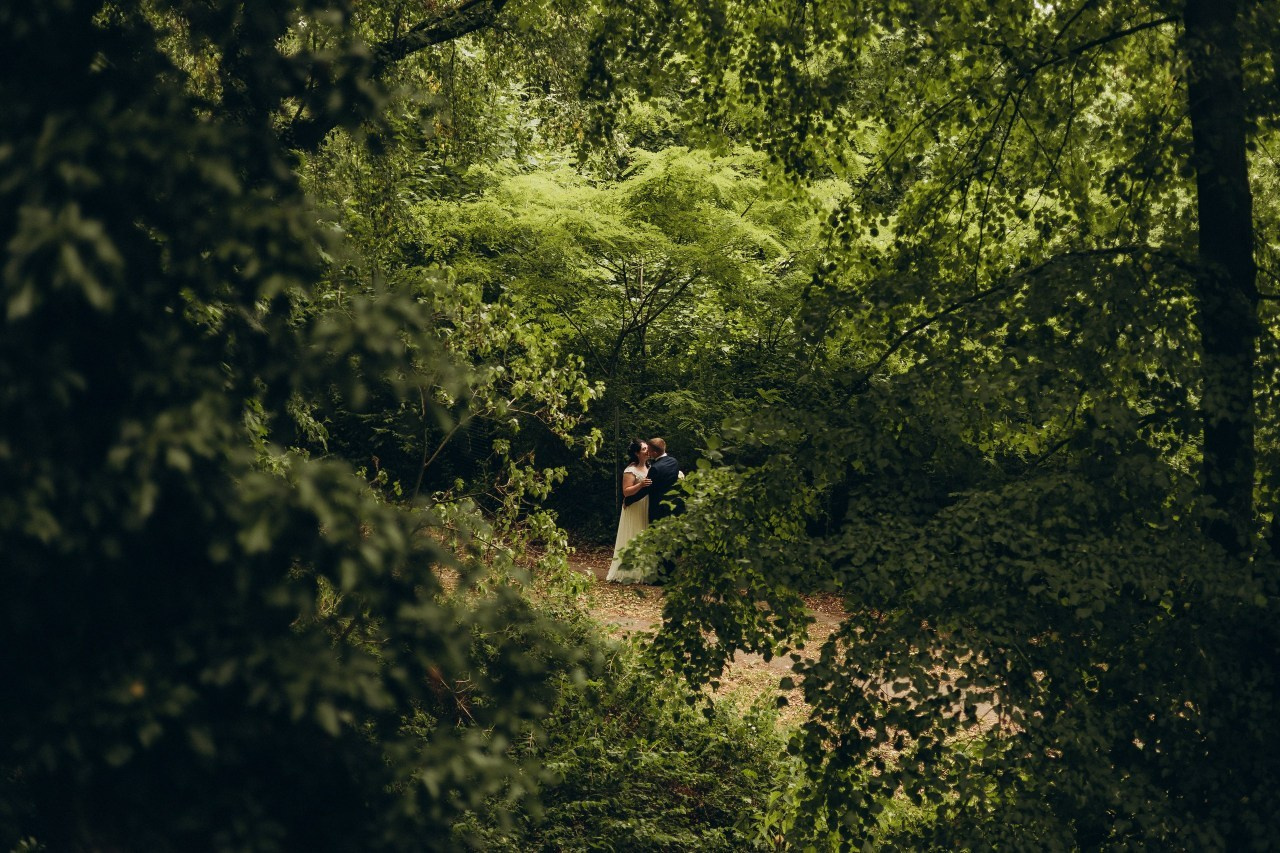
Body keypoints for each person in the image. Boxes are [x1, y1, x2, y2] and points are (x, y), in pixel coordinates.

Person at [606, 439, 654, 583]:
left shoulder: (650, 467)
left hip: (646, 505)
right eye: (644, 449)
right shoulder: (630, 470)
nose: (647, 451)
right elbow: (626, 491)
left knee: (644, 535)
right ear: (637, 453)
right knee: (634, 535)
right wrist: (640, 485)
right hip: (634, 506)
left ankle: (644, 572)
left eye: (647, 448)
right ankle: (630, 572)